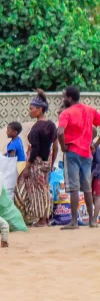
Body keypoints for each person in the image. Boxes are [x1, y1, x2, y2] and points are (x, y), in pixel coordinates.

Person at [56, 85, 100, 229]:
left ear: (69, 98)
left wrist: (63, 147)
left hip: (72, 153)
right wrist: (94, 144)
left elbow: (60, 132)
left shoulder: (66, 113)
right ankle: (92, 221)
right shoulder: (90, 110)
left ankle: (74, 222)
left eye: (64, 96)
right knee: (87, 188)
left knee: (74, 188)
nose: (62, 99)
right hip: (87, 154)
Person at [16, 91, 59, 227]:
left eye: (31, 109)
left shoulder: (36, 128)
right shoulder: (51, 125)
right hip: (47, 162)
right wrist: (51, 163)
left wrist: (27, 167)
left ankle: (42, 219)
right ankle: (45, 217)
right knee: (44, 189)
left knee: (36, 191)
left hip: (36, 162)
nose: (30, 111)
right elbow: (55, 146)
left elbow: (34, 149)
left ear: (39, 110)